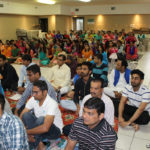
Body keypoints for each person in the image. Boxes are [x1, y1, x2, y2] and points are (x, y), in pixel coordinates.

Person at [21, 80, 63, 149]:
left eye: (36, 92)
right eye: (33, 92)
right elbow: (23, 114)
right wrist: (22, 128)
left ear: (45, 92)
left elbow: (45, 128)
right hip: (39, 127)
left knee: (41, 119)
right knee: (26, 115)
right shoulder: (33, 99)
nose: (33, 94)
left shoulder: (52, 104)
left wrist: (27, 132)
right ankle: (37, 141)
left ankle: (35, 142)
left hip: (54, 132)